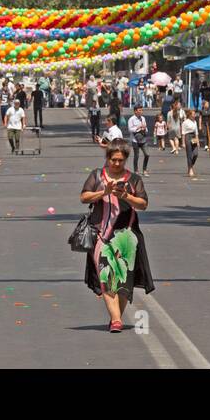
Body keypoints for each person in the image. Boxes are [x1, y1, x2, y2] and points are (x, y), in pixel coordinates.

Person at [80, 138, 154, 332]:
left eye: (121, 160)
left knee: (122, 279)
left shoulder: (134, 179)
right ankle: (116, 320)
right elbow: (84, 197)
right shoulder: (97, 176)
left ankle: (116, 316)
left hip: (127, 236)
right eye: (114, 159)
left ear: (126, 159)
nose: (117, 163)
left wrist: (126, 196)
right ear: (108, 157)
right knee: (106, 275)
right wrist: (103, 192)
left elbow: (143, 204)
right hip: (100, 235)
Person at [127, 109, 150, 175]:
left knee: (147, 154)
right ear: (135, 111)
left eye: (141, 110)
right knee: (136, 156)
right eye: (139, 110)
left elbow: (146, 129)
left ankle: (144, 170)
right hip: (135, 140)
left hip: (143, 139)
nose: (141, 111)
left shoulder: (143, 118)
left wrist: (145, 129)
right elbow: (130, 129)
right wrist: (138, 128)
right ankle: (136, 170)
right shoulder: (131, 119)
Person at [181, 111, 200, 178]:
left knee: (195, 154)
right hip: (187, 136)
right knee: (189, 154)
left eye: (195, 114)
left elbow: (196, 132)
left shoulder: (195, 122)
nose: (195, 115)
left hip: (193, 137)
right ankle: (190, 169)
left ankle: (191, 166)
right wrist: (183, 143)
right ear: (189, 115)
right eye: (193, 114)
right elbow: (183, 133)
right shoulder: (185, 122)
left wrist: (198, 141)